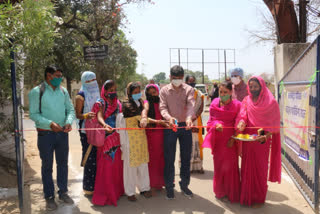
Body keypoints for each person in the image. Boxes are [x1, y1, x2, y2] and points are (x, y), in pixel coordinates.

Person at [28, 66, 75, 210]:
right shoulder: (37, 92)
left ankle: (63, 192)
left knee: (62, 164)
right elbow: (33, 114)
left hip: (62, 134)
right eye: (57, 75)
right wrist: (49, 123)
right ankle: (49, 197)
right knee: (47, 166)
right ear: (49, 76)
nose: (60, 78)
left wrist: (68, 121)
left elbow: (70, 110)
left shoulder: (63, 91)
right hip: (45, 135)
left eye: (61, 75)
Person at [235, 76, 281, 206]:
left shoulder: (271, 102)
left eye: (256, 86)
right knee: (246, 168)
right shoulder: (246, 100)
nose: (253, 89)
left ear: (261, 87)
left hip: (262, 141)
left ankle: (258, 199)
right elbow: (242, 114)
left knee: (260, 170)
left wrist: (266, 137)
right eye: (251, 87)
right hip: (248, 140)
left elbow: (274, 124)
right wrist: (242, 122)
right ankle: (246, 197)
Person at [159, 65, 195, 199]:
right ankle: (169, 187)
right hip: (170, 126)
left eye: (180, 78)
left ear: (183, 77)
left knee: (186, 157)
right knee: (169, 158)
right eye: (175, 78)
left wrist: (188, 118)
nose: (177, 81)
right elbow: (162, 107)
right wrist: (169, 118)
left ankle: (184, 185)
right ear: (170, 77)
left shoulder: (189, 89)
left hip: (185, 125)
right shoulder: (164, 91)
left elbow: (191, 104)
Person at [202, 81, 241, 203]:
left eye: (225, 92)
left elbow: (239, 124)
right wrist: (216, 124)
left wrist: (233, 138)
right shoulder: (214, 103)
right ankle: (220, 192)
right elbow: (210, 121)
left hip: (230, 142)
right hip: (218, 141)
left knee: (231, 168)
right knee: (219, 167)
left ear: (231, 92)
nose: (222, 94)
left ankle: (232, 193)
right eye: (220, 92)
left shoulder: (237, 105)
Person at [90, 80, 124, 206]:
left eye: (114, 90)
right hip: (105, 139)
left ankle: (116, 192)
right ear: (105, 91)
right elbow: (99, 117)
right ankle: (105, 194)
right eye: (110, 90)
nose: (113, 93)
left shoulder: (118, 103)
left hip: (116, 138)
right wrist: (105, 125)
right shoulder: (101, 103)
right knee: (106, 167)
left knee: (116, 167)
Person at [116, 82, 152, 202]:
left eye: (139, 92)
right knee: (130, 167)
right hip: (129, 139)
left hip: (141, 138)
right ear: (129, 93)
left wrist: (144, 116)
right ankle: (130, 192)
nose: (138, 94)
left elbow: (145, 111)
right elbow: (137, 118)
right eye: (135, 92)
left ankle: (144, 188)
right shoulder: (125, 104)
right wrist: (156, 121)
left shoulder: (141, 102)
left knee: (143, 164)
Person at [75, 71, 100, 196]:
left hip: (99, 130)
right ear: (84, 81)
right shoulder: (80, 95)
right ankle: (89, 187)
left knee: (99, 158)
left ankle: (99, 185)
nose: (92, 83)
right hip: (86, 131)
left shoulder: (98, 92)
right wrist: (85, 115)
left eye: (94, 79)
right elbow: (77, 114)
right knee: (90, 158)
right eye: (89, 81)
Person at [140, 84, 168, 195]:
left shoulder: (162, 103)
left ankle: (160, 183)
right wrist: (154, 121)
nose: (153, 94)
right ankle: (151, 183)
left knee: (162, 158)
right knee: (152, 159)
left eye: (154, 92)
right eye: (150, 93)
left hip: (162, 133)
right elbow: (144, 114)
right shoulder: (146, 103)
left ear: (158, 92)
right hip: (151, 134)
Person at [185, 75, 205, 174]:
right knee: (187, 143)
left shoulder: (199, 94)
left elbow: (201, 108)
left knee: (198, 143)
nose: (191, 84)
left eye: (193, 82)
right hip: (186, 120)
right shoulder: (182, 94)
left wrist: (194, 117)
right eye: (189, 82)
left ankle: (198, 166)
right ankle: (187, 167)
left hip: (197, 121)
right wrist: (189, 118)